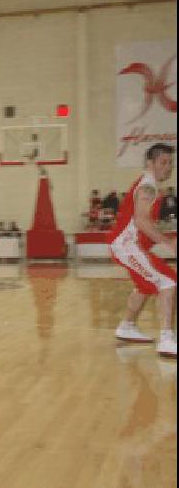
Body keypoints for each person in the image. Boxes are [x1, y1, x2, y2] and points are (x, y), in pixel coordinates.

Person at [109, 143, 176, 358]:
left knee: (145, 286)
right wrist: (169, 243)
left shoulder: (148, 185)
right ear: (150, 163)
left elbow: (142, 223)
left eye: (171, 163)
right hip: (127, 246)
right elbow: (141, 221)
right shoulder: (148, 187)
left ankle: (126, 326)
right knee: (168, 281)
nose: (169, 167)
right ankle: (167, 339)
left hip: (129, 245)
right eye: (164, 162)